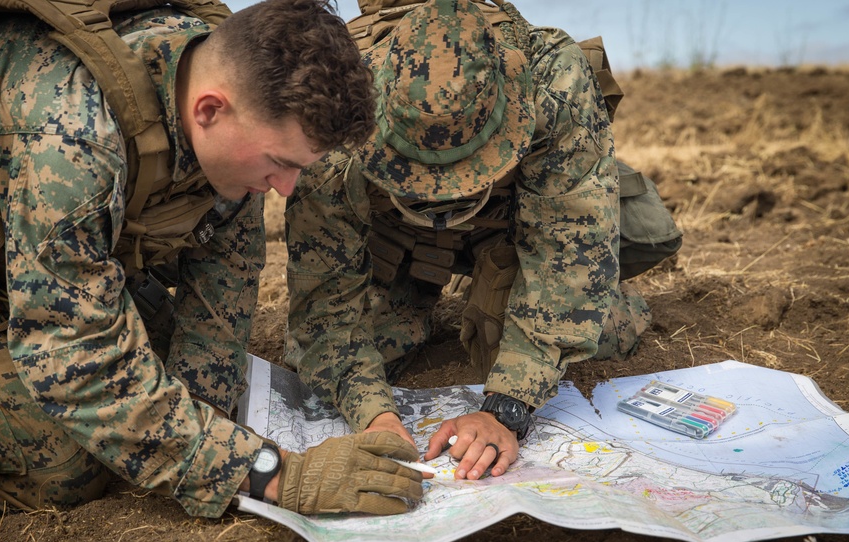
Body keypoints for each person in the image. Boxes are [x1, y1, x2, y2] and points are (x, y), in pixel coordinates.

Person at [0, 0, 423, 518]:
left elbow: (216, 322)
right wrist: (272, 475)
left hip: (18, 267)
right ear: (209, 110)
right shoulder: (72, 133)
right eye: (280, 162)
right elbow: (71, 361)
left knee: (157, 397)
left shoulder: (228, 117)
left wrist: (206, 440)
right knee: (66, 464)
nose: (286, 188)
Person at [285, 0, 666, 482]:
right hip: (395, 239)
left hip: (510, 227)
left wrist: (506, 408)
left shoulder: (552, 80)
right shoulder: (336, 108)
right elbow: (323, 304)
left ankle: (508, 290)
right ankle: (417, 296)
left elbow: (568, 251)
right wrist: (376, 416)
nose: (444, 192)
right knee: (324, 365)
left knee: (592, 334)